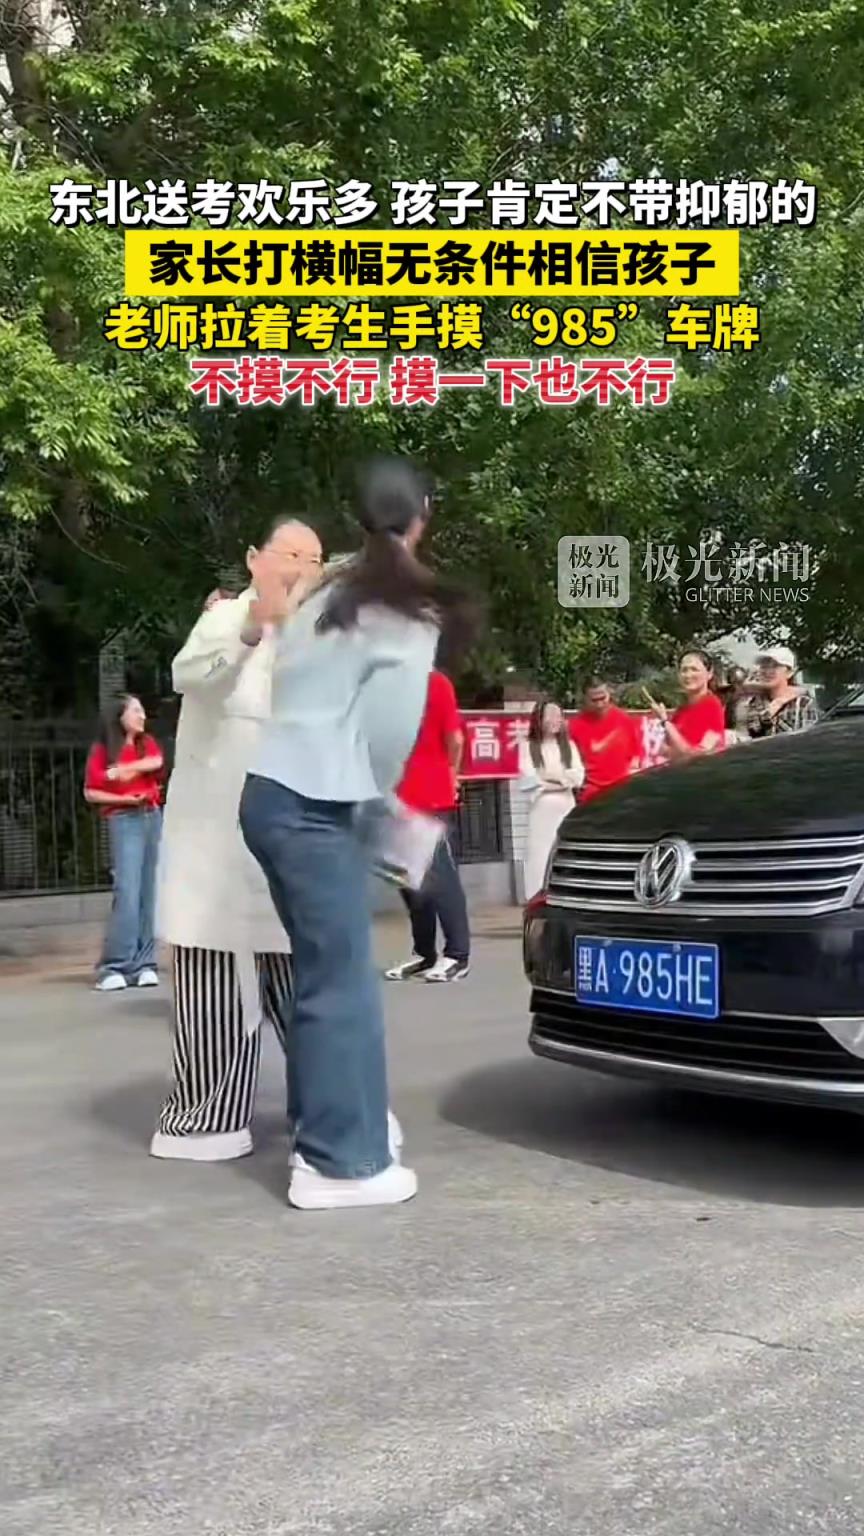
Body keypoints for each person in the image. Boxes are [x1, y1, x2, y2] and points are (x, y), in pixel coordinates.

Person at [240, 458, 475, 1210]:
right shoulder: (405, 607)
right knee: (341, 981)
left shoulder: (331, 587)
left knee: (324, 973)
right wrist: (376, 805)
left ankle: (336, 1125)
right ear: (423, 514)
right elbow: (391, 730)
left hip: (271, 790)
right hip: (317, 801)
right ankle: (340, 1162)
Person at [150, 519, 323, 1162]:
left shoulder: (324, 638)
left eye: (314, 559)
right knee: (212, 983)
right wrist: (254, 624)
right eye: (289, 554)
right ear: (254, 559)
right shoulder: (225, 619)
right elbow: (190, 673)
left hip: (291, 845)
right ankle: (207, 1117)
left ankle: (332, 1118)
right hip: (216, 842)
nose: (300, 568)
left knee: (312, 989)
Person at [384, 665, 471, 984]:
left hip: (429, 793)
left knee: (439, 876)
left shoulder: (435, 682)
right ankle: (424, 952)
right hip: (395, 796)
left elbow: (455, 739)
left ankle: (457, 954)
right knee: (409, 879)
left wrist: (451, 775)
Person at [84, 694, 164, 992]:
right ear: (119, 716)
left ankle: (145, 963)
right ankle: (114, 965)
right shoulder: (103, 749)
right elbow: (91, 791)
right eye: (135, 710)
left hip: (151, 815)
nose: (142, 716)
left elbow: (157, 761)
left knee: (148, 891)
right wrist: (125, 798)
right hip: (124, 818)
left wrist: (125, 771)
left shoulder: (146, 744)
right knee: (128, 890)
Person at [518, 698, 585, 900]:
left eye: (559, 715)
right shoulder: (528, 747)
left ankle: (568, 893)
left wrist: (549, 779)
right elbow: (529, 780)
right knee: (540, 854)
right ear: (539, 719)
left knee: (564, 850)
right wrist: (560, 780)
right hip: (541, 810)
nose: (556, 720)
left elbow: (577, 777)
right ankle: (537, 896)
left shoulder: (569, 746)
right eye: (550, 715)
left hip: (565, 806)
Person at [570, 677, 641, 804]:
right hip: (590, 793)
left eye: (603, 698)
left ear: (609, 694)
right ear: (585, 699)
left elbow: (635, 756)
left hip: (620, 790)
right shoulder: (575, 726)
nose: (600, 704)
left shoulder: (623, 720)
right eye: (594, 700)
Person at [647, 651, 726, 760]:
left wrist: (665, 722)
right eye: (684, 670)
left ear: (709, 674)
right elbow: (668, 750)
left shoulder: (712, 707)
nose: (688, 675)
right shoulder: (682, 710)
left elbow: (698, 755)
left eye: (694, 669)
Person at [746, 645, 819, 738]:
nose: (767, 671)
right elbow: (752, 733)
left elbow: (808, 738)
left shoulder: (803, 703)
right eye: (763, 666)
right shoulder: (755, 702)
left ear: (789, 672)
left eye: (774, 666)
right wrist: (770, 711)